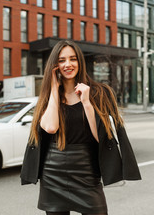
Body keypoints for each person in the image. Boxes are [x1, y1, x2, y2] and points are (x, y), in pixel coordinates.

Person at [20, 40, 141, 215]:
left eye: (73, 59)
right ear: (55, 66)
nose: (68, 64)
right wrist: (54, 89)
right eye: (61, 60)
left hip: (87, 172)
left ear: (80, 62)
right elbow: (51, 128)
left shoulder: (101, 92)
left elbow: (102, 137)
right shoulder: (48, 97)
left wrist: (86, 102)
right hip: (53, 173)